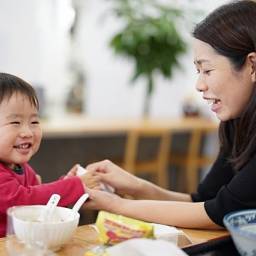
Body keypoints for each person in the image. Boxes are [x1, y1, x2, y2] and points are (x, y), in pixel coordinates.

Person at [83, 0, 256, 229]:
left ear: (252, 66)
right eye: (198, 71)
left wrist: (116, 205)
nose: (199, 85)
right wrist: (137, 187)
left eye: (207, 70)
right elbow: (202, 202)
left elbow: (220, 213)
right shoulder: (237, 123)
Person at [0, 73, 100, 237]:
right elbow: (24, 203)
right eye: (15, 122)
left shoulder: (22, 168)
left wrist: (66, 182)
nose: (27, 132)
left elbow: (41, 204)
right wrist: (74, 186)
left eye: (34, 122)